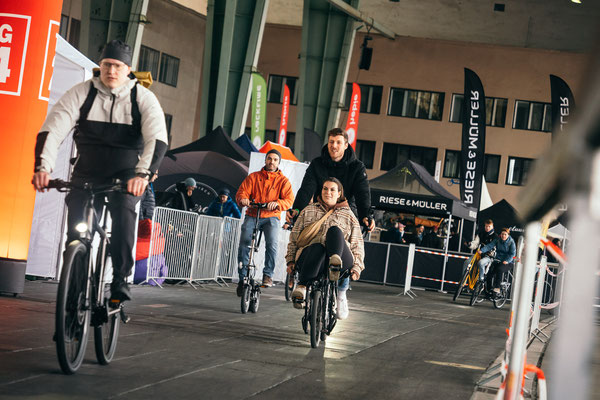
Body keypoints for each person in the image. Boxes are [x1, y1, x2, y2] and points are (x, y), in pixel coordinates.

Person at [32, 39, 168, 301]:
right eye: (106, 65)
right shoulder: (83, 92)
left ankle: (119, 280)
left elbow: (157, 139)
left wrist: (142, 175)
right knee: (76, 233)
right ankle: (73, 290)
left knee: (124, 212)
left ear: (128, 69)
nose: (111, 71)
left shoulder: (143, 98)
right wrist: (43, 167)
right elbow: (53, 128)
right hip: (87, 172)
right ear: (100, 66)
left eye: (117, 66)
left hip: (127, 176)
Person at [286, 178, 365, 320]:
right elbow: (294, 238)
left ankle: (335, 268)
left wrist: (357, 267)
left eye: (332, 189)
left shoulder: (348, 215)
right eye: (325, 188)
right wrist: (290, 261)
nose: (328, 192)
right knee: (318, 246)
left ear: (339, 193)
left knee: (335, 231)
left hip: (341, 257)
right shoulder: (309, 210)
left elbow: (357, 243)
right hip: (312, 255)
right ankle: (302, 288)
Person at [287, 127, 374, 231]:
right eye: (331, 142)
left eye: (338, 142)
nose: (334, 146)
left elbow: (362, 193)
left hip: (345, 214)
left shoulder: (357, 167)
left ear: (346, 145)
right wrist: (297, 209)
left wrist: (365, 215)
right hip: (320, 212)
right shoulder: (317, 164)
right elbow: (306, 189)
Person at [236, 149, 294, 293]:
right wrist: (243, 199)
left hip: (271, 217)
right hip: (253, 214)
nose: (272, 161)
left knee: (272, 244)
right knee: (244, 242)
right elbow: (242, 192)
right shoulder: (253, 177)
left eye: (275, 159)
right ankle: (242, 276)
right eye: (269, 158)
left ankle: (268, 275)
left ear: (279, 162)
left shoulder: (283, 181)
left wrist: (278, 203)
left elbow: (289, 200)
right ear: (265, 160)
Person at [479, 228, 516, 295]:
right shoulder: (497, 240)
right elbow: (489, 246)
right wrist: (482, 250)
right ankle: (489, 290)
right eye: (502, 234)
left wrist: (507, 260)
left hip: (508, 262)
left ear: (508, 235)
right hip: (498, 260)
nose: (503, 236)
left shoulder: (511, 242)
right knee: (489, 274)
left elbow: (512, 254)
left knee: (499, 269)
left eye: (505, 234)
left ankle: (497, 288)